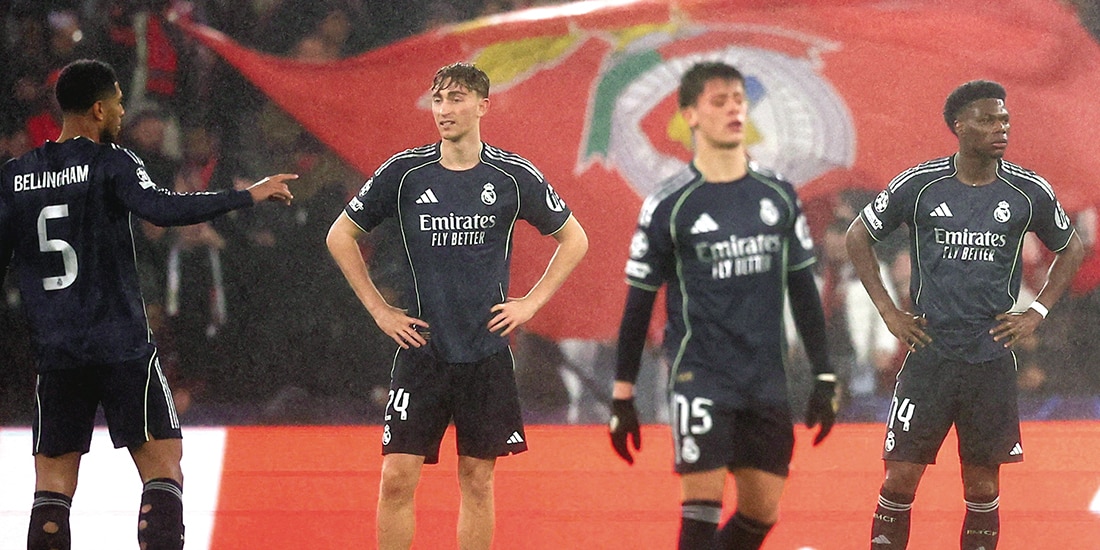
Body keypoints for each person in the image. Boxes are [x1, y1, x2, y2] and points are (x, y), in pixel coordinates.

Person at [0, 58, 296, 550]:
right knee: (163, 468)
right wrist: (246, 196)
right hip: (121, 345)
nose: (121, 112)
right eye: (117, 102)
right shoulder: (112, 161)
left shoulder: (14, 177)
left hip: (58, 350)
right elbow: (162, 208)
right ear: (98, 108)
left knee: (52, 483)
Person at [326, 62, 588, 550]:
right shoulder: (405, 172)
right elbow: (340, 234)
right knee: (397, 478)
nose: (444, 110)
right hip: (422, 350)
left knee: (477, 481)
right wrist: (381, 311)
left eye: (456, 98)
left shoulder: (511, 176)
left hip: (485, 354)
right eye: (438, 99)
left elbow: (574, 239)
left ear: (483, 106)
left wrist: (531, 303)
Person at [607, 61, 838, 550]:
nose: (734, 108)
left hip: (766, 378)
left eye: (739, 99)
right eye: (719, 101)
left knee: (761, 511)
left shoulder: (778, 194)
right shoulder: (670, 205)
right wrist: (623, 393)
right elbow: (638, 302)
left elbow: (802, 289)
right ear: (690, 115)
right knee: (701, 514)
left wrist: (824, 374)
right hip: (701, 374)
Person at [846, 80, 1085, 550]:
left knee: (983, 487)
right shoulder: (919, 184)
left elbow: (1071, 247)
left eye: (1004, 120)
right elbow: (857, 237)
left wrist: (1036, 311)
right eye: (988, 119)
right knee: (899, 479)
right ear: (959, 126)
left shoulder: (1026, 190)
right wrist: (890, 313)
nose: (1001, 128)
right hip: (930, 351)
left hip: (989, 354)